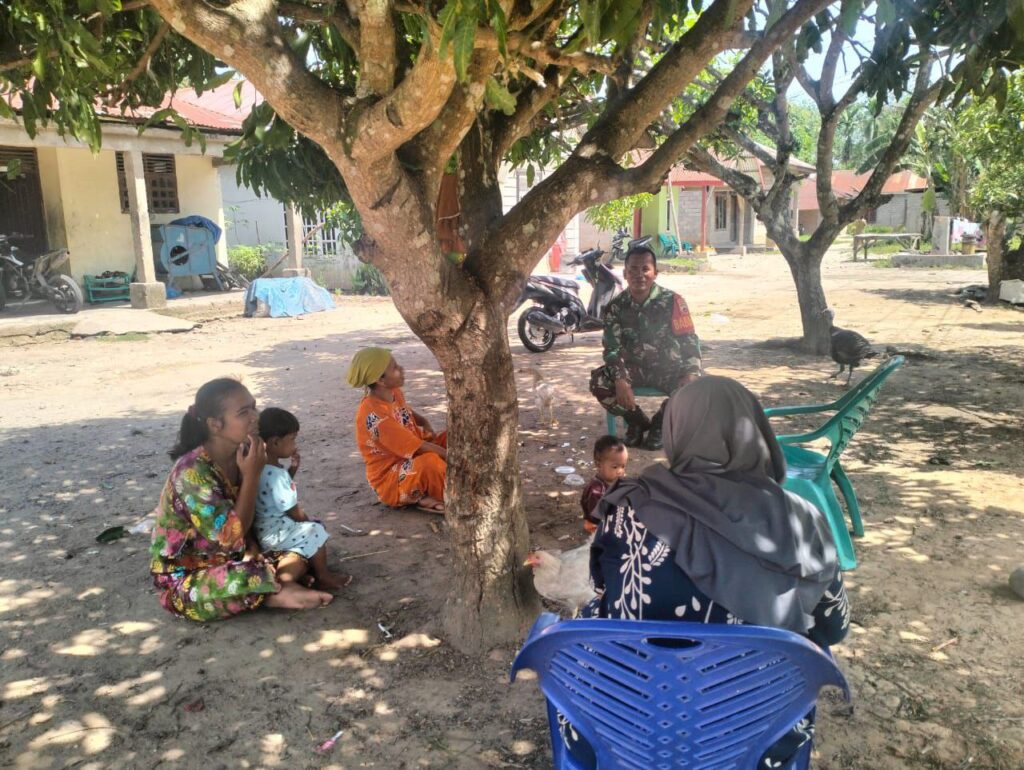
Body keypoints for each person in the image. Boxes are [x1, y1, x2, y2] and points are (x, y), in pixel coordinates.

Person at [570, 376, 849, 768]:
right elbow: (833, 629)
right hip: (756, 739)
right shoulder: (804, 522)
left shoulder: (627, 509)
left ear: (675, 433)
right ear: (757, 430)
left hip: (631, 737)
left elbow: (605, 595)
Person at [150, 378, 333, 622]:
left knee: (307, 534)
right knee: (245, 578)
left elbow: (255, 513)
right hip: (189, 574)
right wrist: (251, 476)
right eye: (243, 412)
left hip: (235, 556)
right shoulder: (192, 473)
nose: (255, 417)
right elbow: (229, 538)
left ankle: (273, 583)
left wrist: (252, 549)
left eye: (254, 407)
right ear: (215, 425)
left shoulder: (243, 451)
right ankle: (274, 592)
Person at [589, 245, 702, 451]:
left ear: (655, 273)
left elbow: (689, 341)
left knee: (696, 388)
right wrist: (620, 379)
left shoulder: (673, 301)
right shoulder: (615, 307)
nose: (639, 275)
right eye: (633, 269)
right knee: (599, 381)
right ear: (625, 273)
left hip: (668, 368)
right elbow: (612, 349)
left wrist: (691, 373)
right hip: (633, 369)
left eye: (645, 269)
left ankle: (661, 423)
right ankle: (637, 421)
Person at [254, 408, 351, 591]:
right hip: (276, 532)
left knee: (306, 539)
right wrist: (308, 522)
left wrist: (292, 470)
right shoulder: (278, 476)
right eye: (292, 439)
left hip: (263, 531)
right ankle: (323, 576)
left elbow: (274, 495)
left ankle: (301, 573)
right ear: (275, 442)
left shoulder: (260, 468)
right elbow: (293, 510)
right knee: (315, 530)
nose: (295, 445)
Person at [347, 347, 448, 513]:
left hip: (413, 455)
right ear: (380, 380)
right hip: (391, 479)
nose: (401, 369)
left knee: (451, 438)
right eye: (395, 368)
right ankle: (444, 494)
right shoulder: (375, 417)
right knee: (431, 463)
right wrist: (453, 459)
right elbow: (419, 447)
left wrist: (425, 422)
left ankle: (426, 495)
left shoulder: (394, 392)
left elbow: (406, 412)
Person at [580, 435, 627, 534]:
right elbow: (595, 516)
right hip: (596, 524)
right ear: (599, 464)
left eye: (623, 466)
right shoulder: (596, 491)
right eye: (615, 467)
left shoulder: (616, 481)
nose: (620, 471)